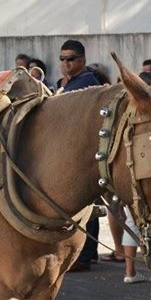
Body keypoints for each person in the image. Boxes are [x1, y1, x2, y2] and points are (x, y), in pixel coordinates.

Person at [56, 39, 102, 272]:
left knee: (86, 205)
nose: (66, 63)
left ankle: (85, 255)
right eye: (62, 59)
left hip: (84, 152)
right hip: (66, 150)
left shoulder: (88, 84)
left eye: (71, 59)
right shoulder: (65, 82)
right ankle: (86, 254)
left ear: (82, 60)